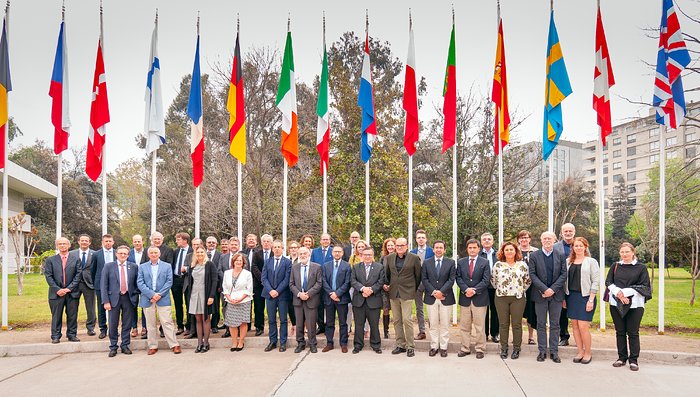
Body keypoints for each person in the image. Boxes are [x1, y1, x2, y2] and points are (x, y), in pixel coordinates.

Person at [607, 242, 651, 371]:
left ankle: (634, 360)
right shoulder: (615, 266)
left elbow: (644, 285)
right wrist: (619, 294)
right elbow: (608, 282)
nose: (624, 254)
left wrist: (625, 293)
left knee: (633, 332)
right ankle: (621, 358)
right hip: (616, 303)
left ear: (633, 252)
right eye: (622, 252)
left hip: (635, 305)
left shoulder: (641, 268)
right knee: (620, 332)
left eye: (627, 252)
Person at [529, 231, 567, 363]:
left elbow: (563, 274)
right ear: (541, 240)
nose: (547, 240)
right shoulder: (534, 255)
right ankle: (542, 351)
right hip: (540, 295)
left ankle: (554, 352)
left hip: (556, 295)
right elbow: (532, 274)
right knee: (540, 324)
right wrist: (544, 289)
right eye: (544, 238)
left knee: (555, 324)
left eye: (549, 238)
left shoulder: (560, 255)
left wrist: (552, 289)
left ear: (554, 240)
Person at [137, 246, 181, 355]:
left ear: (159, 254)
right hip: (148, 299)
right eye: (151, 252)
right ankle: (152, 346)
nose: (153, 254)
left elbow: (169, 282)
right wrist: (151, 294)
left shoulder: (167, 266)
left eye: (155, 252)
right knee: (150, 324)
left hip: (163, 298)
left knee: (167, 322)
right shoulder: (142, 267)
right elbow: (140, 282)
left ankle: (174, 344)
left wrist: (159, 294)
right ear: (148, 255)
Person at [492, 242, 531, 360]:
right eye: (507, 250)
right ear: (503, 252)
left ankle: (516, 349)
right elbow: (493, 281)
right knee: (503, 324)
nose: (509, 251)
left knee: (517, 324)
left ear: (516, 251)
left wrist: (519, 290)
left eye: (511, 249)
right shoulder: (498, 265)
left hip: (518, 298)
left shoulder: (522, 265)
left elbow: (527, 281)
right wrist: (502, 289)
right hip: (501, 298)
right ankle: (504, 348)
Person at [384, 237, 422, 357]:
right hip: (394, 292)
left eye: (402, 245)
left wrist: (413, 289)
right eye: (397, 245)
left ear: (407, 246)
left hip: (407, 292)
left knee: (407, 319)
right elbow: (388, 274)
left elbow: (418, 276)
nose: (399, 247)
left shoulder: (414, 258)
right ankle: (400, 344)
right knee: (397, 320)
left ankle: (410, 346)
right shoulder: (389, 258)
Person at [565, 237, 599, 364]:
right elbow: (565, 281)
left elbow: (596, 281)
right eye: (576, 246)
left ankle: (588, 352)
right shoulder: (568, 261)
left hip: (585, 297)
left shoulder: (591, 261)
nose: (578, 248)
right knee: (574, 326)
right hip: (571, 297)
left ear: (585, 247)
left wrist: (591, 299)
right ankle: (580, 351)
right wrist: (564, 298)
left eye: (580, 245)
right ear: (572, 248)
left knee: (583, 326)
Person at [456, 239, 491, 359]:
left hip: (480, 299)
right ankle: (465, 348)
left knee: (479, 326)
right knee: (464, 326)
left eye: (474, 248)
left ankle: (480, 349)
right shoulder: (461, 262)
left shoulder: (485, 262)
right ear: (467, 249)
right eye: (470, 248)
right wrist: (466, 290)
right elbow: (458, 278)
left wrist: (474, 290)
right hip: (465, 298)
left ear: (478, 249)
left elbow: (486, 280)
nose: (472, 250)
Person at [101, 245, 139, 357]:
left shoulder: (134, 266)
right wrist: (106, 301)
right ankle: (113, 346)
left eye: (125, 253)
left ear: (128, 255)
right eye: (120, 253)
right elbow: (104, 284)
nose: (123, 255)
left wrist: (135, 295)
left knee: (127, 324)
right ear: (116, 254)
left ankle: (125, 345)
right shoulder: (108, 266)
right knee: (113, 324)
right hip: (113, 299)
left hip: (128, 298)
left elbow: (137, 283)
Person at [45, 237, 82, 343]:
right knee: (56, 315)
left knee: (72, 315)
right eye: (60, 244)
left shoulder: (76, 259)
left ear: (69, 245)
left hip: (72, 293)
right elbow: (48, 276)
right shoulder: (50, 260)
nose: (62, 245)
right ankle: (55, 336)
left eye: (64, 243)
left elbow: (78, 275)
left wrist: (68, 289)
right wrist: (58, 289)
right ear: (57, 246)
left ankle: (71, 334)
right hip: (56, 293)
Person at [422, 240, 455, 357]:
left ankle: (444, 347)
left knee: (445, 323)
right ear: (433, 249)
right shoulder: (426, 262)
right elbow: (424, 279)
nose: (438, 249)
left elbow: (451, 280)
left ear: (444, 250)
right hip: (431, 297)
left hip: (446, 297)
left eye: (441, 247)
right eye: (436, 247)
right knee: (433, 323)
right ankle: (434, 346)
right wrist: (434, 292)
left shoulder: (451, 262)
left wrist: (441, 292)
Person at [350, 247, 384, 354]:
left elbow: (381, 281)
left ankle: (376, 345)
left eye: (370, 255)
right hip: (359, 300)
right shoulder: (355, 267)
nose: (367, 257)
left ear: (373, 255)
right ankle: (358, 345)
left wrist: (371, 290)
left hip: (374, 300)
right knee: (359, 324)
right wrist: (362, 289)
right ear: (361, 256)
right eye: (365, 255)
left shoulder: (379, 267)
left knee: (374, 324)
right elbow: (353, 281)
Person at [289, 246, 322, 353]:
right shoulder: (294, 267)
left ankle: (312, 344)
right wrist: (299, 294)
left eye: (305, 253)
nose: (303, 255)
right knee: (299, 324)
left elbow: (319, 283)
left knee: (311, 324)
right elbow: (291, 284)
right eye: (301, 254)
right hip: (298, 300)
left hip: (311, 299)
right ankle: (300, 343)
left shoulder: (317, 267)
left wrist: (308, 294)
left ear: (309, 255)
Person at [185, 246, 218, 353]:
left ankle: (206, 343)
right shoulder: (193, 266)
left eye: (201, 252)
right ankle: (199, 343)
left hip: (206, 295)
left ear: (205, 253)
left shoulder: (209, 264)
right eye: (197, 252)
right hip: (195, 294)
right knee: (198, 319)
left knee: (206, 319)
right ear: (195, 254)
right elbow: (190, 282)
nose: (199, 254)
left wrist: (212, 296)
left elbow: (214, 280)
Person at [262, 240, 292, 352]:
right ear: (272, 248)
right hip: (270, 296)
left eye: (279, 247)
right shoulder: (267, 261)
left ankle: (283, 342)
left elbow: (287, 279)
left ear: (283, 248)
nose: (277, 249)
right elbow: (263, 278)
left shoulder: (287, 262)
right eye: (275, 247)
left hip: (282, 295)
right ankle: (272, 341)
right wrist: (270, 290)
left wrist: (277, 291)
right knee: (271, 320)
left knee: (283, 320)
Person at [322, 245, 352, 353]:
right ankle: (329, 343)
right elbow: (323, 281)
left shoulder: (347, 266)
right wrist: (331, 293)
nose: (337, 253)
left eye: (339, 251)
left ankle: (343, 343)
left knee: (343, 322)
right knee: (329, 322)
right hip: (329, 298)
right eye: (335, 251)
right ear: (332, 253)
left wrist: (337, 294)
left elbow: (347, 282)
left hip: (342, 298)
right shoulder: (326, 266)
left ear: (342, 253)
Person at [223, 253, 254, 352]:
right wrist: (229, 298)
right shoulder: (227, 273)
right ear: (233, 262)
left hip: (244, 300)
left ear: (243, 262)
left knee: (242, 322)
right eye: (237, 260)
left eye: (240, 260)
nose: (238, 262)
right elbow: (225, 287)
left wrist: (240, 299)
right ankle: (234, 341)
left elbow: (249, 289)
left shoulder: (247, 274)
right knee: (232, 323)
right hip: (231, 300)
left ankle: (241, 341)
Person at [68, 234, 95, 336]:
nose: (84, 242)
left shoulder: (94, 254)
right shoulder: (72, 254)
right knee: (72, 308)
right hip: (74, 284)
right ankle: (72, 329)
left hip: (89, 284)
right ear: (78, 242)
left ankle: (90, 328)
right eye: (82, 240)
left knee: (91, 308)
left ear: (89, 242)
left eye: (86, 241)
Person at [554, 222, 576, 346]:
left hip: (576, 283)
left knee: (577, 312)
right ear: (562, 233)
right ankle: (564, 336)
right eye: (565, 231)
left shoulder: (580, 245)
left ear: (574, 232)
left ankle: (580, 336)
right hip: (561, 284)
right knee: (562, 312)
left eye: (570, 231)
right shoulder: (556, 246)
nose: (568, 233)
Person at [90, 234, 115, 339]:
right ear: (102, 242)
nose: (108, 243)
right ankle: (103, 329)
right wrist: (96, 283)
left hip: (115, 285)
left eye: (110, 241)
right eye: (106, 241)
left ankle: (113, 329)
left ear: (113, 242)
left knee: (115, 307)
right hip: (100, 285)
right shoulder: (96, 254)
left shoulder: (117, 253)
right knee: (101, 308)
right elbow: (93, 270)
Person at [410, 229, 433, 340]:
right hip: (417, 284)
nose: (421, 239)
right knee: (419, 308)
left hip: (430, 283)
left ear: (426, 239)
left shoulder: (432, 251)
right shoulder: (412, 252)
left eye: (423, 237)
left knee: (431, 307)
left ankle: (433, 331)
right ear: (416, 239)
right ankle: (422, 331)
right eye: (419, 237)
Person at [518, 230, 539, 345]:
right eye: (521, 238)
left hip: (532, 285)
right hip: (517, 286)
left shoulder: (536, 252)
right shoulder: (514, 250)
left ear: (530, 239)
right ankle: (518, 336)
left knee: (531, 312)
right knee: (517, 312)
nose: (524, 240)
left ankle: (531, 336)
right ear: (518, 239)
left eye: (526, 237)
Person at [127, 234, 149, 338]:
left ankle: (145, 327)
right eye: (135, 241)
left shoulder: (148, 253)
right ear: (132, 242)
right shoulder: (128, 253)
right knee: (132, 305)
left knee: (144, 305)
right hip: (132, 283)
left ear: (143, 241)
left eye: (139, 241)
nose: (137, 243)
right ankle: (134, 327)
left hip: (145, 283)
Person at [479, 232, 499, 343]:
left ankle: (495, 334)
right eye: (484, 239)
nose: (487, 241)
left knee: (496, 311)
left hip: (495, 287)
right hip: (482, 287)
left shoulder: (498, 254)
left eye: (489, 239)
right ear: (481, 242)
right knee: (484, 311)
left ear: (492, 241)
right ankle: (484, 334)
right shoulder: (478, 254)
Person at [171, 232, 193, 335]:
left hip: (187, 279)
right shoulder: (175, 252)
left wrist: (186, 269)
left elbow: (195, 265)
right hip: (176, 280)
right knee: (177, 303)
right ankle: (180, 326)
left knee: (188, 303)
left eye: (178, 239)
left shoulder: (192, 251)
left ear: (185, 240)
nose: (176, 241)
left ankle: (189, 326)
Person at [311, 233, 333, 334]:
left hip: (329, 282)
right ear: (320, 241)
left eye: (327, 239)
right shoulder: (315, 252)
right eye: (323, 239)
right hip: (317, 282)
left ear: (329, 241)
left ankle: (329, 326)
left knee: (328, 306)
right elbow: (311, 266)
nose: (325, 241)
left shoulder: (334, 251)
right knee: (318, 305)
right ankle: (320, 326)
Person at [251, 234, 272, 336]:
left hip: (272, 285)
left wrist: (269, 281)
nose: (266, 243)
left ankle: (272, 327)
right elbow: (254, 267)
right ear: (262, 243)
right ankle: (259, 327)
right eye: (264, 241)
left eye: (268, 241)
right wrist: (263, 280)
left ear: (271, 243)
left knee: (271, 307)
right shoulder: (256, 254)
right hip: (259, 285)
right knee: (259, 307)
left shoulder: (274, 253)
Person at [182, 237, 203, 338]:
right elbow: (184, 268)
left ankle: (201, 331)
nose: (195, 247)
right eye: (194, 245)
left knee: (201, 311)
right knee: (191, 309)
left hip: (201, 287)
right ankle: (192, 330)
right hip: (190, 286)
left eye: (197, 245)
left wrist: (189, 268)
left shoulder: (204, 255)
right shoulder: (189, 256)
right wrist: (187, 268)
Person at [205, 236, 222, 334]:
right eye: (209, 242)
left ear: (216, 244)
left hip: (216, 284)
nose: (211, 244)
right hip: (204, 284)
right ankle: (205, 323)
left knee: (216, 305)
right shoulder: (202, 254)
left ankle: (214, 325)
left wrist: (219, 285)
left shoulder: (220, 255)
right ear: (206, 243)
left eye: (213, 243)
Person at [379, 238, 396, 339]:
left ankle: (399, 331)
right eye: (388, 246)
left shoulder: (399, 257)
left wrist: (392, 285)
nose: (390, 247)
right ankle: (386, 331)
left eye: (392, 245)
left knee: (397, 310)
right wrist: (383, 285)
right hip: (384, 287)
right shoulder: (383, 258)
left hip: (395, 287)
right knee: (385, 309)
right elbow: (380, 272)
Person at [286, 240, 300, 335]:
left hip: (298, 287)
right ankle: (294, 326)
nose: (293, 249)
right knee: (290, 307)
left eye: (295, 247)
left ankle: (300, 326)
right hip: (287, 287)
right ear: (289, 249)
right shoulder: (286, 259)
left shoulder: (301, 259)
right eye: (291, 248)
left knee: (299, 307)